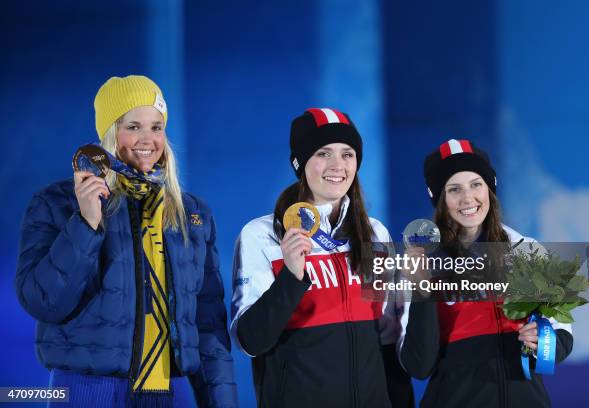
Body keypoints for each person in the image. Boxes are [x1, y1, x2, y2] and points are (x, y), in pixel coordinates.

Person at [15, 75, 237, 407]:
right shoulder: (57, 203)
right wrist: (87, 224)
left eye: (157, 127)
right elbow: (43, 301)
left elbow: (208, 328)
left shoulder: (192, 214)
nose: (148, 139)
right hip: (84, 394)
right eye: (133, 126)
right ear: (109, 131)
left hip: (164, 395)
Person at [230, 108, 412, 407]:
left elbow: (388, 341)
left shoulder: (375, 233)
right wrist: (290, 276)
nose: (337, 165)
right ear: (300, 163)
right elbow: (250, 341)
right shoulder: (263, 235)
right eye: (323, 153)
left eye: (347, 154)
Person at [399, 139, 574, 407]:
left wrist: (543, 342)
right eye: (454, 189)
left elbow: (562, 333)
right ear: (440, 199)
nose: (468, 198)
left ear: (490, 188)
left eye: (476, 184)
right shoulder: (421, 264)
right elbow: (418, 366)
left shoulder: (526, 250)